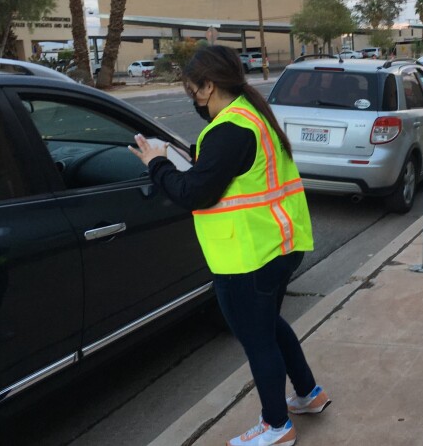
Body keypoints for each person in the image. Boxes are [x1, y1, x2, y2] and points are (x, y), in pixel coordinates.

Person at [129, 45, 330, 446]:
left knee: (258, 341)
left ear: (209, 86)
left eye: (193, 91)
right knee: (269, 327)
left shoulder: (228, 129)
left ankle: (277, 427)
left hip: (247, 257)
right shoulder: (252, 116)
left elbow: (192, 193)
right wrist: (197, 160)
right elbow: (227, 175)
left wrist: (157, 163)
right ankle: (309, 394)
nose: (193, 99)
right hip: (280, 245)